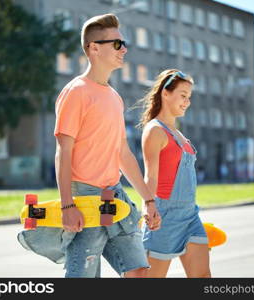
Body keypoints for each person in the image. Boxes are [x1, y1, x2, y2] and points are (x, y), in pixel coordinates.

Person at [18, 13, 161, 278]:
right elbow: (63, 152)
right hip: (84, 202)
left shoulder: (114, 98)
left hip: (115, 198)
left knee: (139, 274)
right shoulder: (76, 92)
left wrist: (148, 199)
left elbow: (122, 153)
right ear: (94, 48)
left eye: (123, 43)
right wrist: (67, 206)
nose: (124, 49)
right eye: (117, 44)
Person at [138, 69, 211, 278]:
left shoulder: (178, 134)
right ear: (165, 93)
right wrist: (148, 206)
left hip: (190, 215)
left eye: (189, 97)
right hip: (164, 216)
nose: (187, 102)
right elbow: (150, 176)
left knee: (203, 276)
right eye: (183, 95)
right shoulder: (155, 130)